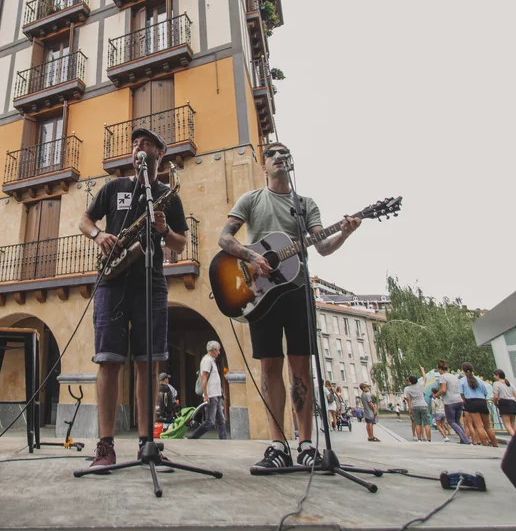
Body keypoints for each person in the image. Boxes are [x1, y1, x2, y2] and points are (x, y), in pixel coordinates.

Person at [218, 142, 361, 471]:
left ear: (290, 163)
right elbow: (225, 238)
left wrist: (345, 233)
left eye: (284, 153)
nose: (279, 156)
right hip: (261, 293)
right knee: (270, 366)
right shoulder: (251, 200)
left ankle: (306, 444)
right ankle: (278, 444)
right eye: (272, 153)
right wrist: (252, 256)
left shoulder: (305, 205)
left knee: (301, 367)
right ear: (264, 166)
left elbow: (322, 246)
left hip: (297, 290)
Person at [79, 127, 189, 469]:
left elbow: (180, 243)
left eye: (146, 143)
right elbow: (85, 220)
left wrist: (163, 230)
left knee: (148, 363)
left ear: (160, 153)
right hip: (112, 281)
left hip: (151, 282)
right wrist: (99, 235)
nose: (139, 147)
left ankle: (147, 444)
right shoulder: (114, 187)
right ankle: (105, 446)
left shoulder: (167, 194)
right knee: (109, 361)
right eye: (135, 144)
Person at [432, 359, 471, 444]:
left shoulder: (442, 377)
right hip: (459, 400)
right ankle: (463, 439)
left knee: (451, 421)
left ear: (440, 369)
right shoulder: (454, 377)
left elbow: (443, 390)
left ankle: (465, 439)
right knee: (457, 421)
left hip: (450, 401)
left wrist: (436, 395)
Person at [460, 363, 497, 447]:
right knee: (487, 427)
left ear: (463, 370)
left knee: (479, 426)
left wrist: (466, 402)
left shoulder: (462, 381)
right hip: (482, 401)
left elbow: (461, 394)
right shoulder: (479, 380)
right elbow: (485, 393)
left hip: (471, 401)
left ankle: (485, 444)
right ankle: (495, 444)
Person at [199, 341, 228, 440]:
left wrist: (220, 390)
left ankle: (223, 440)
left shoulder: (212, 361)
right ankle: (193, 437)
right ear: (213, 350)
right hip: (211, 395)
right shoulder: (207, 361)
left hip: (216, 394)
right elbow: (204, 377)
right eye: (218, 350)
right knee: (210, 421)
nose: (219, 352)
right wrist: (206, 395)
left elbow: (213, 378)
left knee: (221, 420)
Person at [492, 369, 516, 437]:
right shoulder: (510, 384)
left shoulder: (496, 384)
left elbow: (495, 396)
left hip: (503, 403)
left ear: (498, 375)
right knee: (513, 424)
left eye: (494, 375)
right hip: (513, 403)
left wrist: (495, 403)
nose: (494, 377)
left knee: (507, 425)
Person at [403, 375, 431, 442]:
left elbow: (409, 400)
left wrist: (410, 409)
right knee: (426, 423)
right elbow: (425, 378)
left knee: (418, 423)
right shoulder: (420, 385)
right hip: (423, 405)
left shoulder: (407, 389)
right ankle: (429, 439)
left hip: (415, 406)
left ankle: (419, 439)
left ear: (410, 382)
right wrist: (422, 370)